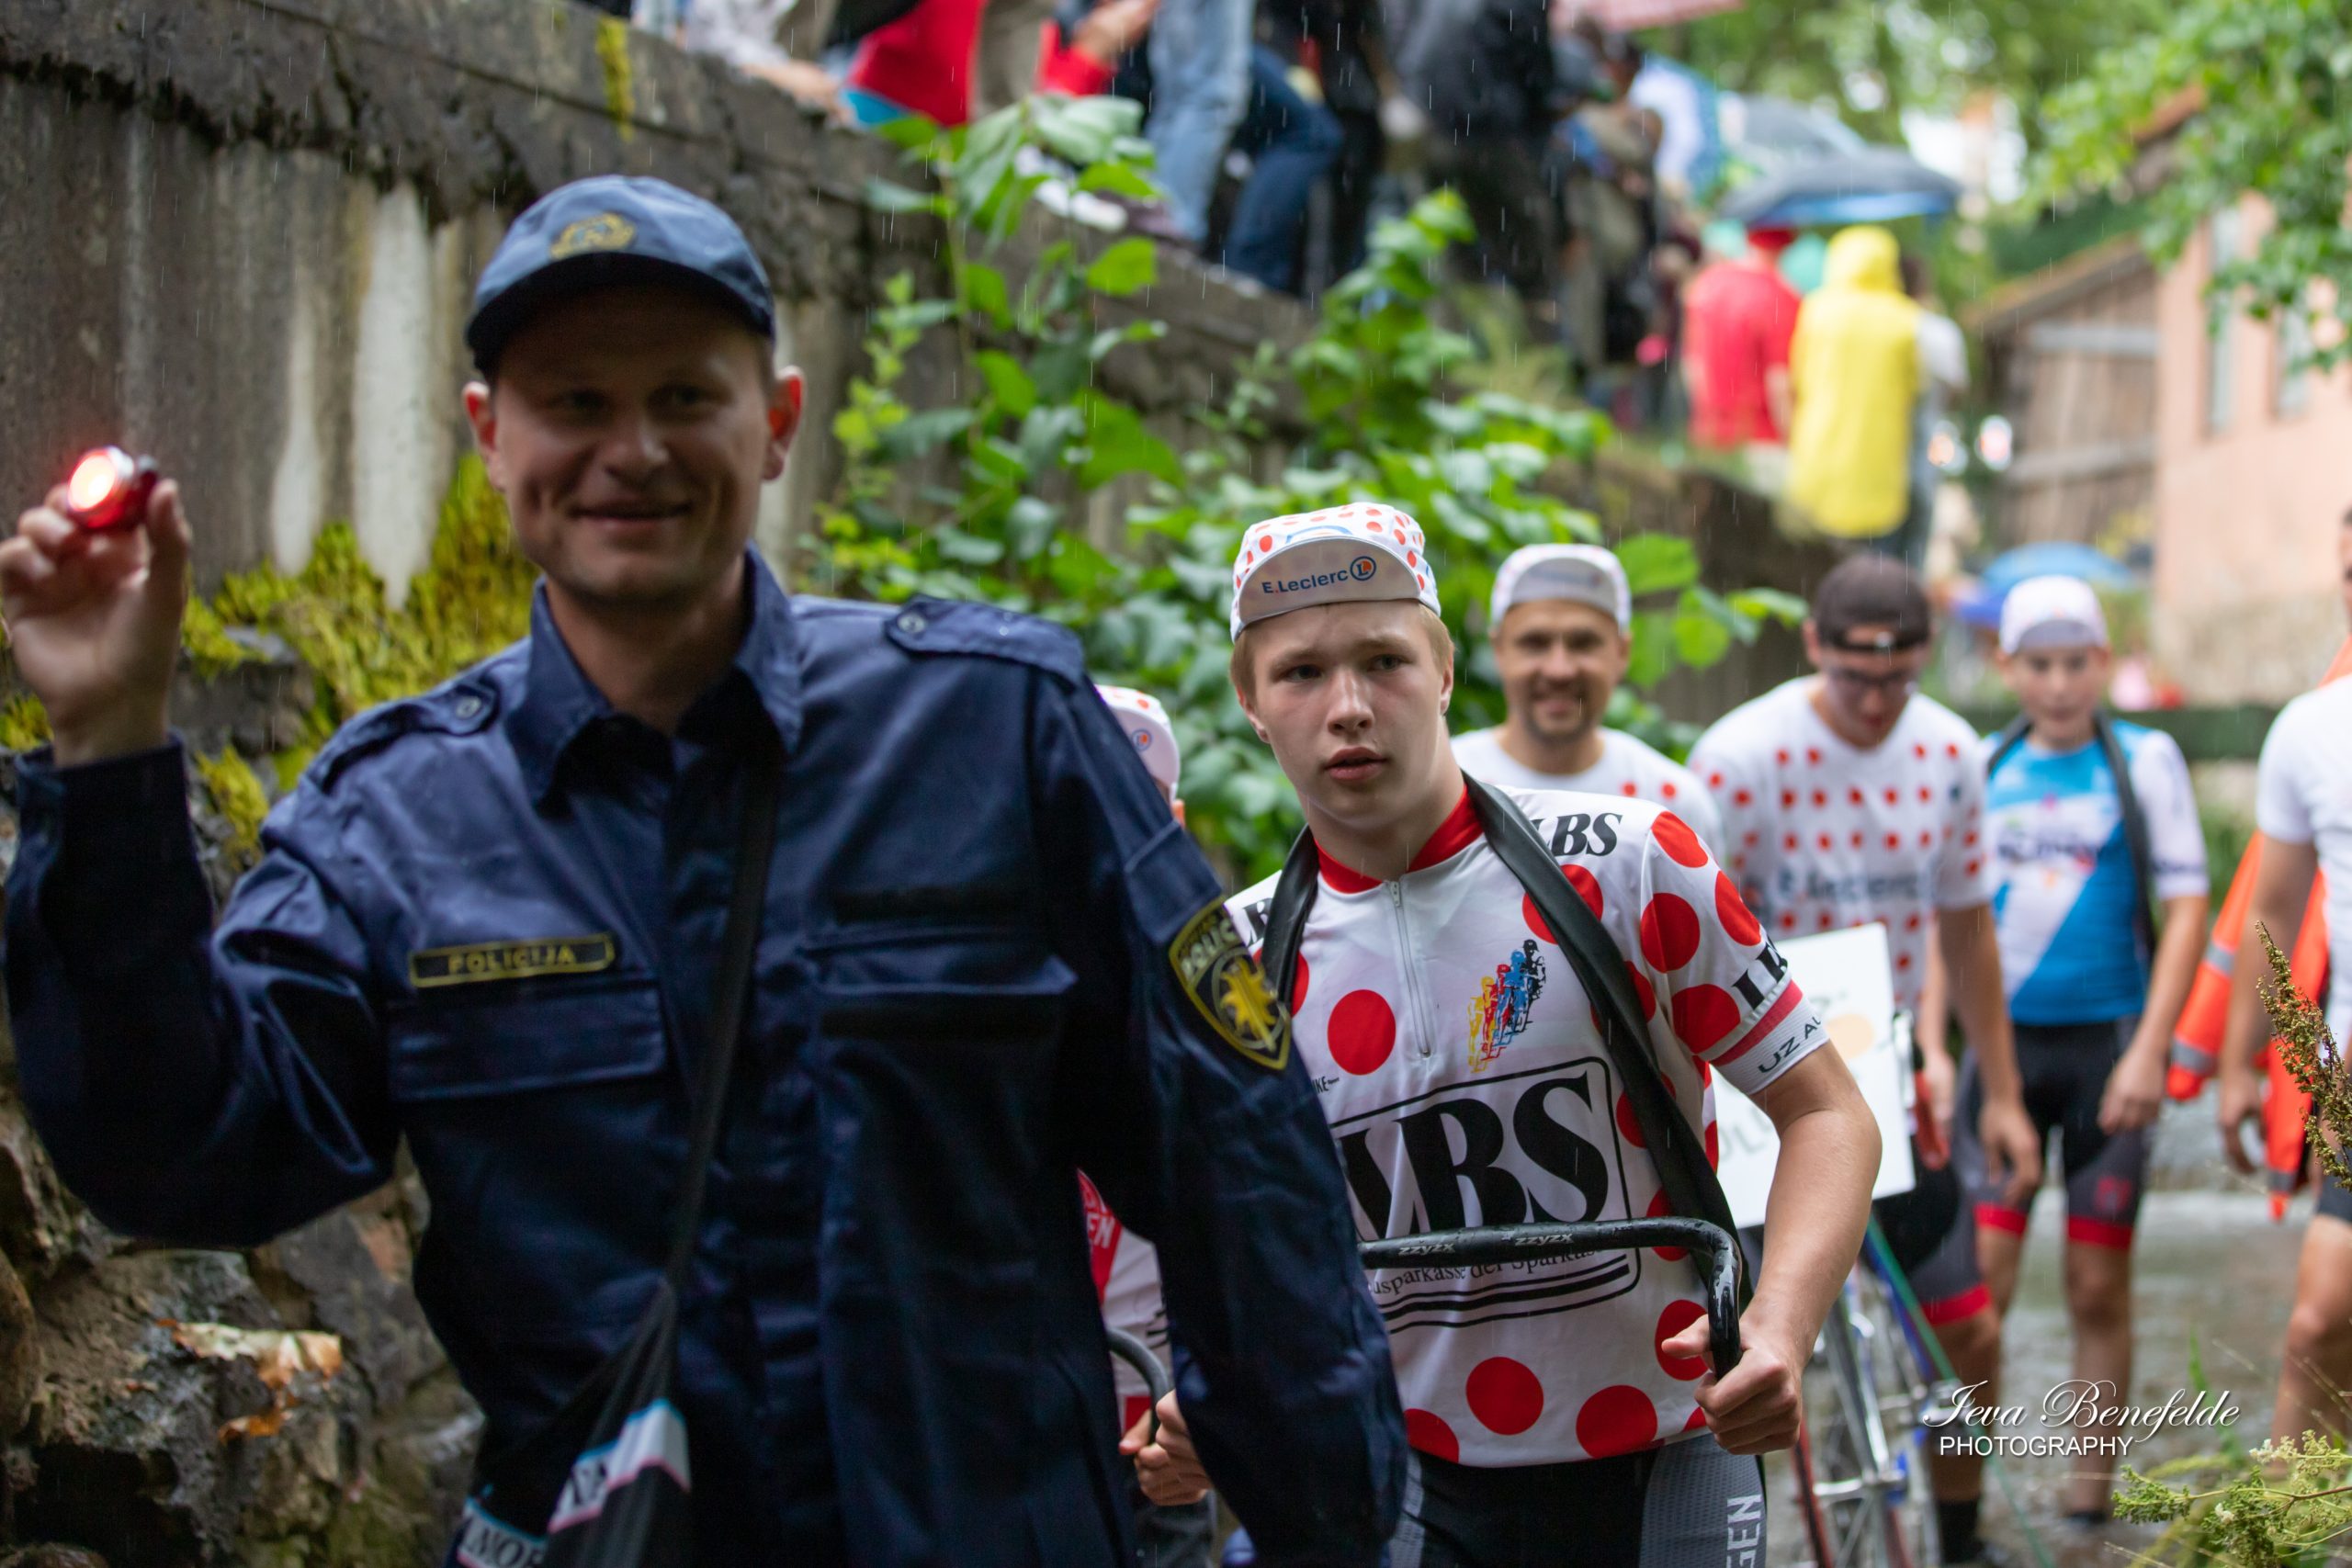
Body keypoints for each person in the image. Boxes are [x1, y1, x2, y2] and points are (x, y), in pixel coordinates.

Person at [0, 175, 1406, 1562]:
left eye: (684, 396)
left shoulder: (997, 732)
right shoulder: (401, 814)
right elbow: (187, 1155)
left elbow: (1240, 1171)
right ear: (488, 434)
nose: (632, 450)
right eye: (576, 402)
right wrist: (108, 752)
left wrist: (1329, 1529)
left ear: (777, 420)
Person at [1136, 503, 1883, 1566]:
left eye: (1384, 660)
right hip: (1400, 1474)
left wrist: (1779, 1327)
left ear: (1445, 671)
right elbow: (1231, 1235)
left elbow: (1828, 1112)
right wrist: (1210, 1397)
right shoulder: (1230, 967)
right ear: (1248, 700)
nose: (1348, 707)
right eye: (1299, 673)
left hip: (1666, 1447)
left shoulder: (1632, 863)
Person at [1688, 555, 2041, 1568]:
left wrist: (2000, 1092)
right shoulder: (1739, 758)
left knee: (1967, 1330)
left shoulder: (1950, 750)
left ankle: (1962, 1537)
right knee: (1748, 1350)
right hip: (1762, 1090)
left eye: (1899, 679)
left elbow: (1966, 927)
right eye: (1854, 678)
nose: (1878, 703)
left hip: (1882, 1073)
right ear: (1813, 647)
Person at [1973, 576, 2209, 1523]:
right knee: (1978, 1290)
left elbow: (2187, 908)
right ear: (2007, 667)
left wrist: (2153, 1050)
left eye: (2077, 663)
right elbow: (1953, 921)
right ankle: (1964, 1498)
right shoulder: (1982, 766)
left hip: (2110, 1052)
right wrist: (1943, 1050)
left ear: (2104, 664)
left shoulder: (2145, 761)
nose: (2060, 683)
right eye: (2040, 664)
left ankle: (2085, 1506)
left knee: (2096, 1284)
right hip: (2003, 1059)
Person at [2221, 509, 2352, 1447]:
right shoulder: (2310, 730)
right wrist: (2240, 1062)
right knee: (2318, 1323)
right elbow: (2268, 913)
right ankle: (2290, 1521)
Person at [1450, 544, 1724, 852]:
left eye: (1583, 643)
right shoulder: (1443, 788)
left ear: (1622, 652)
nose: (1559, 670)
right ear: (1499, 650)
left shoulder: (1674, 802)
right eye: (1535, 643)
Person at [1784, 227, 1921, 549]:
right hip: (1879, 464)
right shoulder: (1904, 318)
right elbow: (1913, 389)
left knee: (1811, 560)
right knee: (1871, 565)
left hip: (1818, 454)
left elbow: (1798, 376)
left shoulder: (1817, 310)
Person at [1680, 225, 1798, 468]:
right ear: (1787, 244)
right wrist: (1794, 439)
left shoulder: (1708, 283)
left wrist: (1705, 417)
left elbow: (1692, 364)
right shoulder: (1783, 298)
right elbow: (1779, 381)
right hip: (1763, 440)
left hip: (1710, 432)